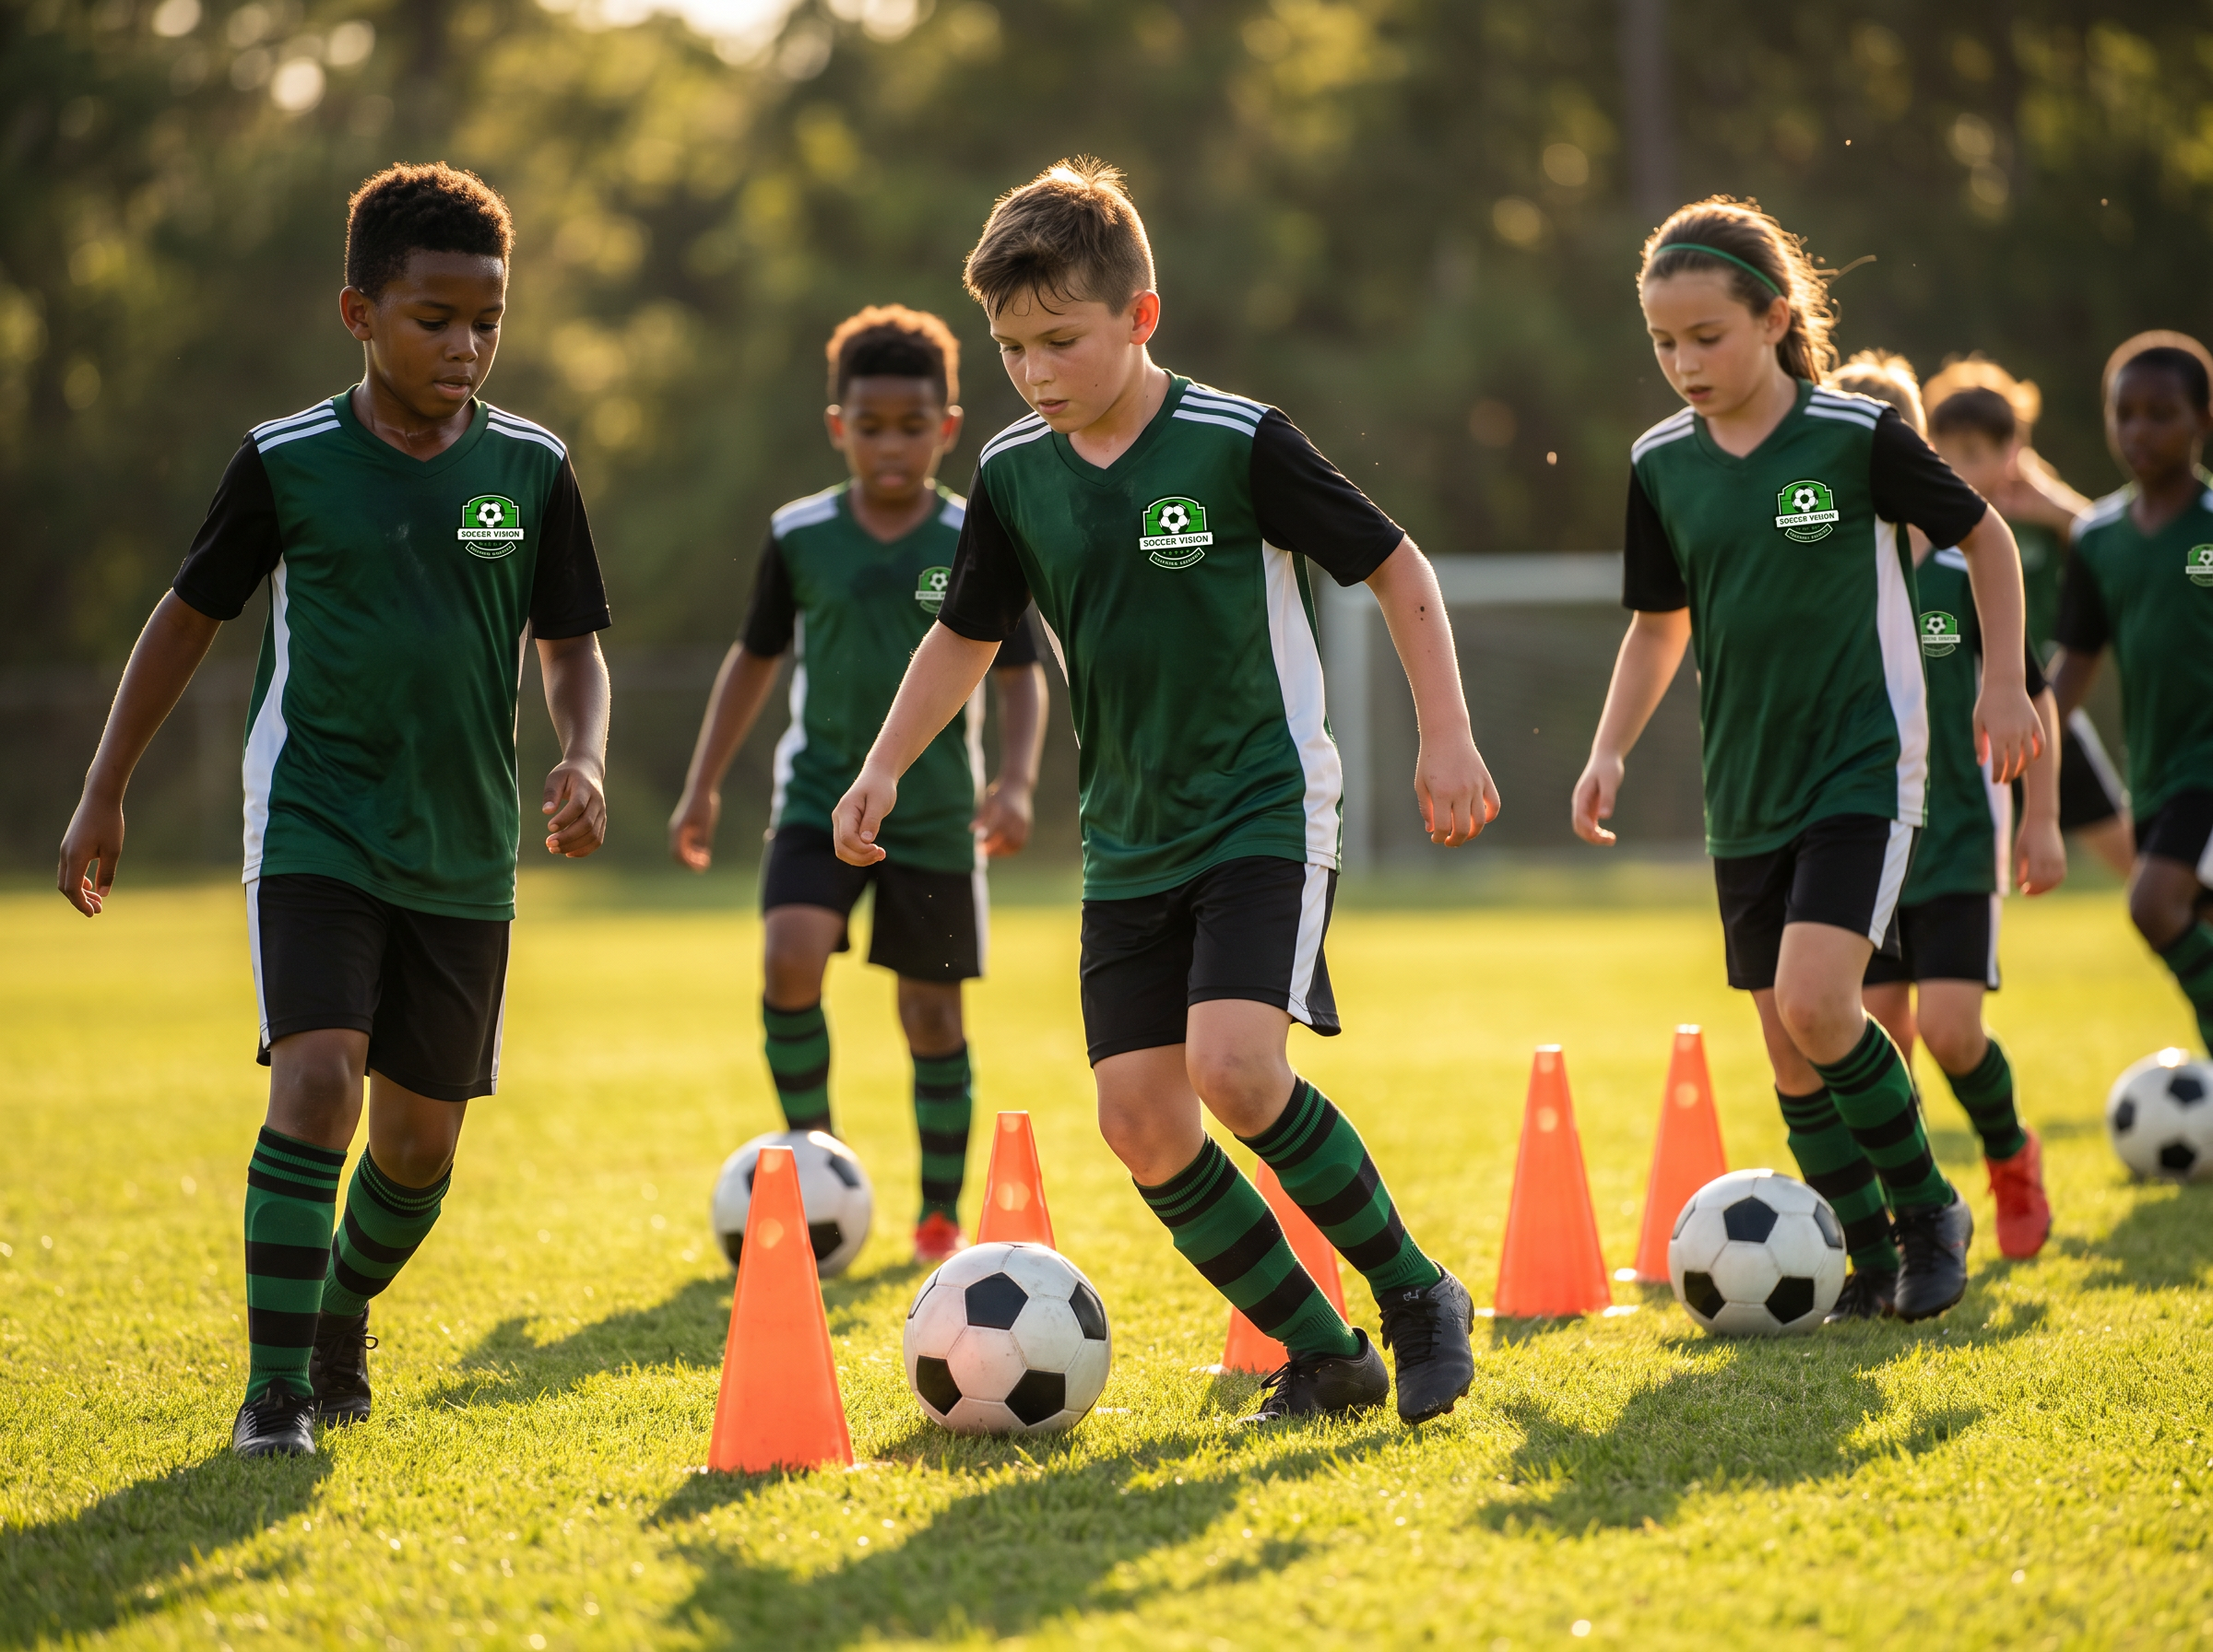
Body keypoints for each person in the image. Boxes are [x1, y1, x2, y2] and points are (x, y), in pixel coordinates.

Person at [830, 159, 1497, 1425]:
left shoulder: (1239, 441)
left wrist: (1446, 735)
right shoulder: (1018, 473)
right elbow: (965, 636)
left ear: (1141, 317)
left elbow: (1397, 568)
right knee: (1142, 1121)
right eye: (1013, 347)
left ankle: (1417, 1297)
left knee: (1237, 1070)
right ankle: (1326, 1351)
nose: (1035, 372)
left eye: (1061, 341)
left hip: (1262, 806)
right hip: (1126, 835)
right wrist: (881, 766)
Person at [53, 164, 612, 1458]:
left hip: (464, 848)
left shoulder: (533, 469)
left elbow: (572, 640)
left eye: (490, 320)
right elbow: (185, 619)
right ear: (358, 312)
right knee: (317, 1088)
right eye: (435, 319)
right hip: (315, 819)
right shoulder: (287, 462)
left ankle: (338, 1311)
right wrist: (104, 787)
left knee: (417, 1150)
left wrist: (582, 753)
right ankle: (274, 1397)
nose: (466, 346)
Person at [1571, 197, 2042, 1325]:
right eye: (1664, 343)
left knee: (1821, 1003)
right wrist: (1607, 752)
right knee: (1790, 1055)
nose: (1684, 362)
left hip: (1863, 769)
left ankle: (1931, 1213)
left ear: (1775, 317)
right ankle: (1865, 1257)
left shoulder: (1852, 436)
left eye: (1708, 337)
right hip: (1745, 791)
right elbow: (1656, 623)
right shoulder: (1659, 465)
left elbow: (1988, 537)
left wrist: (2005, 679)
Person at [669, 305, 1046, 1264]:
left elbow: (1020, 671)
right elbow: (753, 660)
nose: (891, 444)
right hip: (815, 802)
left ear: (947, 428)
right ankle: (813, 1164)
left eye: (912, 426)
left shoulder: (979, 531)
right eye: (869, 425)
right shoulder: (798, 535)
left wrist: (1014, 781)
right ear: (837, 425)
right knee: (789, 960)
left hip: (933, 816)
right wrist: (703, 784)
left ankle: (936, 1212)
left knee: (931, 1013)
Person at [1828, 351, 2063, 1262]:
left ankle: (2011, 1156)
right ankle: (1914, 1207)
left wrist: (2039, 819)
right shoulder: (1833, 577)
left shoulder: (1964, 572)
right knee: (1881, 1034)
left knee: (1955, 1030)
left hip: (1962, 836)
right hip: (1867, 839)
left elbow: (2035, 694)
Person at [2050, 332, 2213, 1054]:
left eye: (2161, 413)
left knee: (2153, 905)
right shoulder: (2097, 538)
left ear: (2202, 420)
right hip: (2154, 774)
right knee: (2193, 921)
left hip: (2206, 771)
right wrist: (2027, 735)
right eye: (2127, 414)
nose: (2140, 430)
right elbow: (2076, 662)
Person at [1924, 356, 2134, 877]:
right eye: (1940, 453)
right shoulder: (1927, 523)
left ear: (2011, 452)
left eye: (1971, 453)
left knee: (2137, 865)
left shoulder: (2037, 517)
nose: (1953, 468)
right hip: (1957, 720)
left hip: (2041, 707)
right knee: (1962, 871)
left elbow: (2123, 559)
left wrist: (2055, 508)